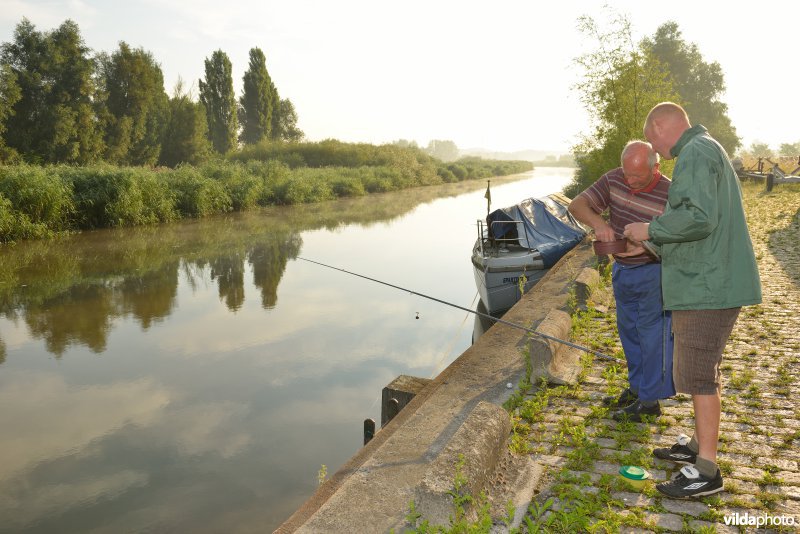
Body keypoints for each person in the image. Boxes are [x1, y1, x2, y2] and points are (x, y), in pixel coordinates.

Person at [624, 102, 762, 499]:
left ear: (661, 125)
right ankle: (698, 447)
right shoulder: (704, 148)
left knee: (700, 375)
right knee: (696, 370)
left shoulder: (695, 153)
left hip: (708, 287)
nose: (653, 147)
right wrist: (650, 242)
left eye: (651, 138)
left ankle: (707, 469)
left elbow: (699, 217)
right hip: (705, 279)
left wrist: (649, 226)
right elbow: (700, 226)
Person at [569, 140, 675, 422]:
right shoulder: (614, 178)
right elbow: (577, 205)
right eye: (627, 173)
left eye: (637, 176)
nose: (629, 181)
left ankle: (650, 401)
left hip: (655, 273)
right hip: (622, 271)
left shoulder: (672, 192)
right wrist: (600, 224)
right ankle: (637, 389)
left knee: (652, 337)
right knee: (629, 333)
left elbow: (678, 239)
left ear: (656, 167)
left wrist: (645, 246)